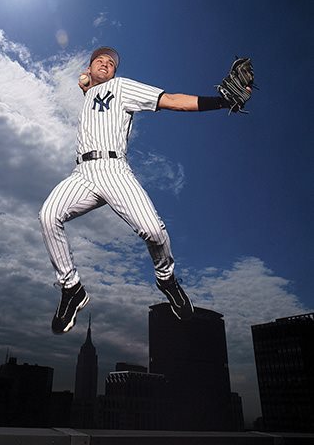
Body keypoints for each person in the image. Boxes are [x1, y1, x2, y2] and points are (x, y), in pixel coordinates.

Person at [40, 46, 233, 334]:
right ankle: (71, 288)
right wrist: (84, 85)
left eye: (111, 63)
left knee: (154, 231)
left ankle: (166, 279)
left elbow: (171, 101)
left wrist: (220, 101)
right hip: (82, 173)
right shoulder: (88, 94)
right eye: (99, 61)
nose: (106, 64)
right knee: (48, 215)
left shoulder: (121, 87)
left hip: (115, 170)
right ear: (89, 68)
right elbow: (90, 95)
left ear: (115, 71)